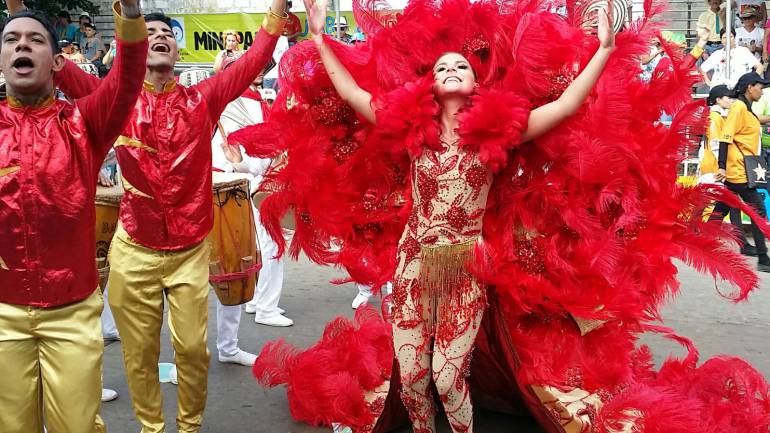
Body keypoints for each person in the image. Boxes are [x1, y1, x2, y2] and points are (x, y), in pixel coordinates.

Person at [300, 0, 614, 430]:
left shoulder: (500, 130)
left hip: (465, 268)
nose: (450, 68)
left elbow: (563, 107)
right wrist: (318, 38)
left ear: (476, 83)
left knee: (447, 380)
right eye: (442, 66)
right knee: (411, 378)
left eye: (461, 66)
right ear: (429, 84)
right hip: (412, 265)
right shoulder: (411, 128)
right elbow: (352, 94)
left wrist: (604, 50)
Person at [35, 0, 289, 431]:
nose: (160, 38)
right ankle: (151, 427)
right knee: (140, 354)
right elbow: (61, 70)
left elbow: (254, 60)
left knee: (192, 350)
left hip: (190, 251)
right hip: (134, 251)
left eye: (168, 34)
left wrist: (279, 8)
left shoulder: (204, 98)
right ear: (134, 45)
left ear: (177, 51)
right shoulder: (115, 101)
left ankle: (188, 427)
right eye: (150, 32)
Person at [0, 1, 147, 432]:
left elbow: (125, 82)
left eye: (35, 39)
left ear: (58, 61)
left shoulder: (86, 123)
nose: (21, 45)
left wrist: (131, 14)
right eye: (11, 40)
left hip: (73, 313)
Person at [710, 72, 770, 272]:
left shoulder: (746, 108)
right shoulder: (738, 108)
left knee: (721, 209)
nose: (762, 90)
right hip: (739, 170)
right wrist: (722, 166)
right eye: (759, 86)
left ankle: (700, 243)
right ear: (749, 87)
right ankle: (763, 257)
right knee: (758, 210)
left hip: (743, 168)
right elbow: (726, 138)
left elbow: (757, 120)